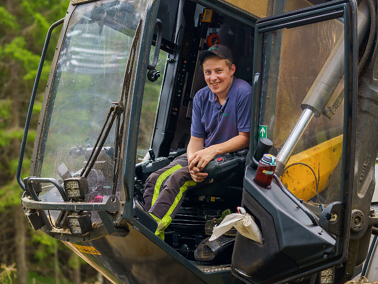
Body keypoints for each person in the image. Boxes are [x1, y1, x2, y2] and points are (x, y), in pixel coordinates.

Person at [143, 44, 252, 239]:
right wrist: (193, 162)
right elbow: (196, 139)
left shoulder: (244, 92)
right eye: (208, 72)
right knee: (153, 179)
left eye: (219, 71)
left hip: (229, 158)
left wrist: (212, 151)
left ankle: (153, 234)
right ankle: (148, 227)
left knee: (178, 179)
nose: (213, 77)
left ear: (232, 69)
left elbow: (245, 138)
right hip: (203, 153)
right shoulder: (201, 96)